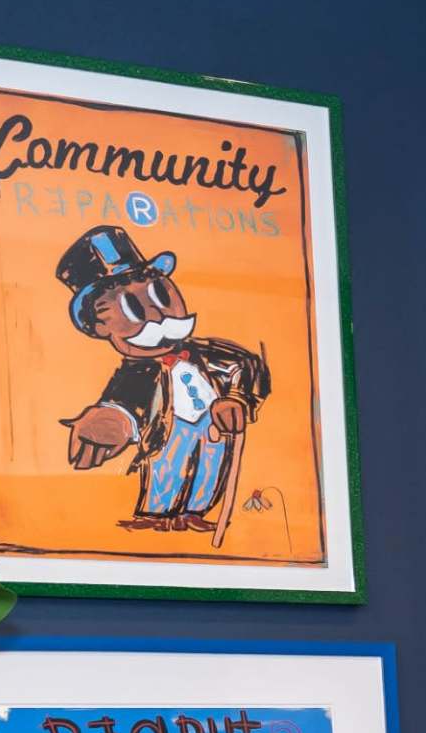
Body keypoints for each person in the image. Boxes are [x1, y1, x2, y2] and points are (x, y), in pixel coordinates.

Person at [54, 227, 272, 535]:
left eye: (160, 294)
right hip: (169, 431)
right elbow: (124, 403)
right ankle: (158, 514)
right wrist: (113, 421)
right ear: (101, 327)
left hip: (212, 427)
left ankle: (195, 511)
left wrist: (236, 398)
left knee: (209, 467)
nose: (158, 315)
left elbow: (247, 365)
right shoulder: (136, 373)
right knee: (167, 468)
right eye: (133, 307)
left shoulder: (209, 352)